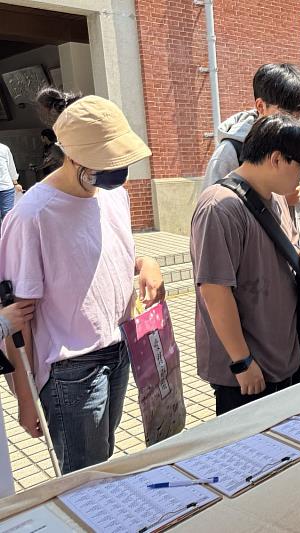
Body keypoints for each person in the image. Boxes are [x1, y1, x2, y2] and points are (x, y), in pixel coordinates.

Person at [0, 88, 164, 474]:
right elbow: (18, 318)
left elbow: (115, 256)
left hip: (120, 346)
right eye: (109, 158)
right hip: (70, 369)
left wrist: (148, 263)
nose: (118, 168)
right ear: (72, 153)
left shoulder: (114, 197)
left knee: (102, 463)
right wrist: (25, 397)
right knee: (83, 480)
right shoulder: (31, 216)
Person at [191, 114, 300, 416]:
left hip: (280, 358)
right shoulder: (219, 208)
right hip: (247, 375)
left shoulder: (276, 198)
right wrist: (242, 361)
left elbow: (280, 251)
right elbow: (214, 291)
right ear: (276, 159)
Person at [202, 63, 300, 254]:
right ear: (260, 106)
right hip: (255, 267)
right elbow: (213, 222)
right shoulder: (230, 153)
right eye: (287, 113)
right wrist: (280, 202)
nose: (295, 121)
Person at [0, 140, 21, 221]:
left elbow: (11, 167)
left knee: (7, 215)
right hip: (6, 187)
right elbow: (11, 167)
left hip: (6, 188)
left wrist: (15, 183)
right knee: (7, 215)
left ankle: (6, 233)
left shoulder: (3, 148)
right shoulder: (3, 148)